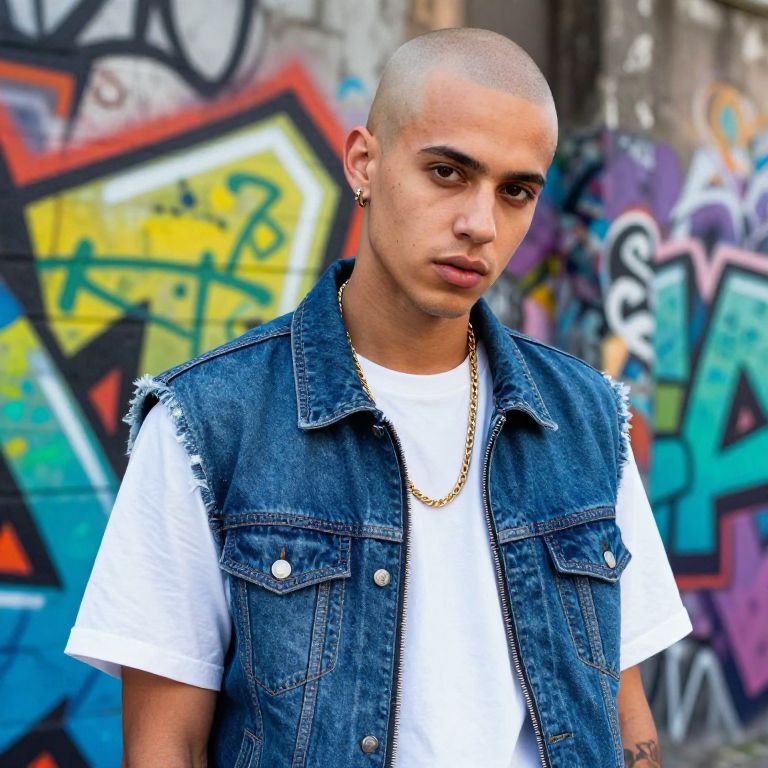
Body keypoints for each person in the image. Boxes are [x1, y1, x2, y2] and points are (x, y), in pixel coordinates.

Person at [65, 27, 691, 768]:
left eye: (515, 191)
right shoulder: (210, 422)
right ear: (365, 162)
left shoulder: (585, 419)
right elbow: (168, 744)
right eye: (448, 172)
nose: (479, 225)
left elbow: (626, 718)